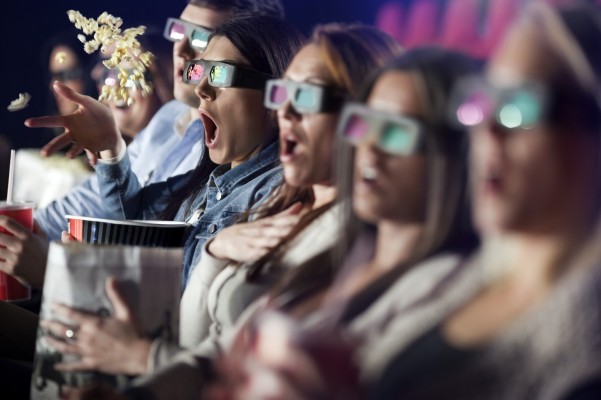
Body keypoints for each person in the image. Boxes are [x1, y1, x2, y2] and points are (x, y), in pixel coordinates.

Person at [37, 23, 401, 384]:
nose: (200, 88)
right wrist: (109, 150)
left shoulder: (288, 203)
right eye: (199, 71)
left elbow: (223, 356)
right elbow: (142, 230)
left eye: (220, 73)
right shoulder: (211, 178)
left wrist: (57, 275)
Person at [107, 47, 478, 400]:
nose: (370, 146)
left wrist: (143, 359)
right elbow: (223, 353)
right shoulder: (331, 233)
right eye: (365, 124)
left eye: (396, 132)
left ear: (457, 153)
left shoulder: (441, 285)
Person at [367, 2, 601, 398]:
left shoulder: (588, 355)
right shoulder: (475, 280)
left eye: (518, 106)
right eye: (482, 101)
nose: (488, 130)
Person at [0, 0, 285, 290]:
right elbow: (129, 214)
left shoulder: (251, 173)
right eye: (177, 31)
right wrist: (110, 149)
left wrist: (63, 273)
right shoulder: (177, 129)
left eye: (201, 38)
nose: (181, 50)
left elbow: (177, 298)